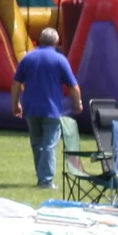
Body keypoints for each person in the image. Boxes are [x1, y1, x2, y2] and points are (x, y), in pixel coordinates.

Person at [11, 27, 83, 189]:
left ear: (40, 40)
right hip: (52, 109)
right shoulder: (60, 60)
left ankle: (42, 177)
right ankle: (46, 181)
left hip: (31, 108)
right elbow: (73, 86)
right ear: (56, 42)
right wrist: (77, 103)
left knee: (37, 144)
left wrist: (15, 104)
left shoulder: (27, 58)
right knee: (50, 145)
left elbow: (16, 84)